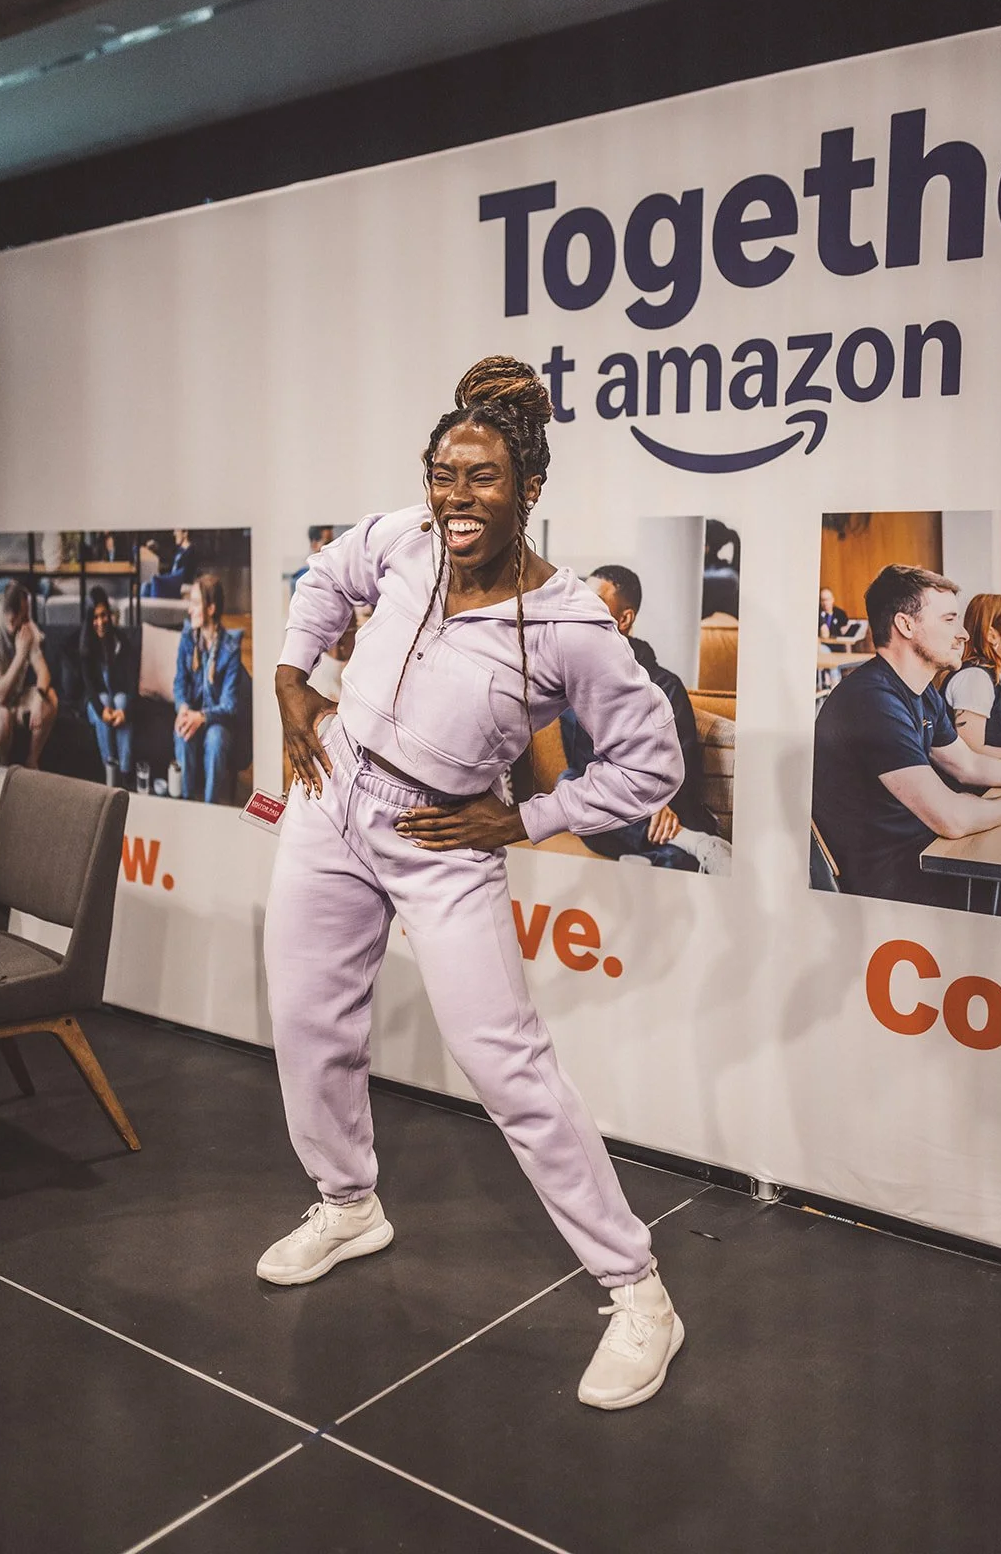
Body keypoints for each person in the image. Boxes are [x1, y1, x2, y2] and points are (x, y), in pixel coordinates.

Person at [262, 356, 687, 1411]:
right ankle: (347, 1201)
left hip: (443, 837)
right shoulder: (401, 537)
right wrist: (291, 678)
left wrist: (527, 816)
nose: (455, 496)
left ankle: (638, 1291)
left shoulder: (571, 624)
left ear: (528, 490)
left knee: (510, 1072)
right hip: (331, 794)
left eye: (482, 477)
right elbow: (324, 578)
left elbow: (650, 762)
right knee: (307, 1018)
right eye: (443, 473)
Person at [812, 564, 1001, 908]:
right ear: (905, 625)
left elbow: (967, 764)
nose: (964, 634)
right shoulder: (872, 700)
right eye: (949, 620)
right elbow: (950, 818)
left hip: (922, 855)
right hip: (892, 884)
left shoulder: (921, 691)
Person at [556, 564, 729, 873]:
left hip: (662, 807)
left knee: (674, 856)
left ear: (624, 619)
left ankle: (671, 852)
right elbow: (582, 768)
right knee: (568, 786)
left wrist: (658, 805)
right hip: (609, 808)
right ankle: (688, 844)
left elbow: (682, 770)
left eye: (593, 602)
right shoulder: (577, 682)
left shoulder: (665, 686)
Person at [173, 575, 245, 803]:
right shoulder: (187, 639)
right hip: (192, 711)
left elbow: (230, 704)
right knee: (182, 733)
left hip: (217, 721)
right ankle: (186, 802)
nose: (190, 610)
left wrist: (201, 717)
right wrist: (183, 708)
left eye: (195, 603)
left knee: (215, 741)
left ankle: (209, 806)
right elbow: (179, 682)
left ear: (211, 608)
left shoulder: (230, 648)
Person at [0, 581, 58, 770]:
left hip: (17, 697)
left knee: (51, 698)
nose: (28, 617)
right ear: (12, 619)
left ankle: (31, 762)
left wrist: (39, 696)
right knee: (3, 716)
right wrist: (21, 655)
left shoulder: (26, 628)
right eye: (24, 613)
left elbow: (43, 672)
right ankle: (4, 769)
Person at [942, 593, 1001, 761]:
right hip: (966, 787)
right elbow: (971, 752)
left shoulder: (998, 675)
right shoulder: (976, 678)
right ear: (992, 635)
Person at [80, 586, 136, 786]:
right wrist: (101, 710)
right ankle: (111, 774)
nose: (100, 622)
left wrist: (125, 712)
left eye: (103, 615)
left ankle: (126, 773)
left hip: (118, 702)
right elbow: (89, 688)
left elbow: (131, 685)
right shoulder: (86, 645)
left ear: (110, 615)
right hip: (95, 703)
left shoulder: (122, 642)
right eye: (95, 617)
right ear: (89, 620)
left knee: (121, 700)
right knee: (105, 699)